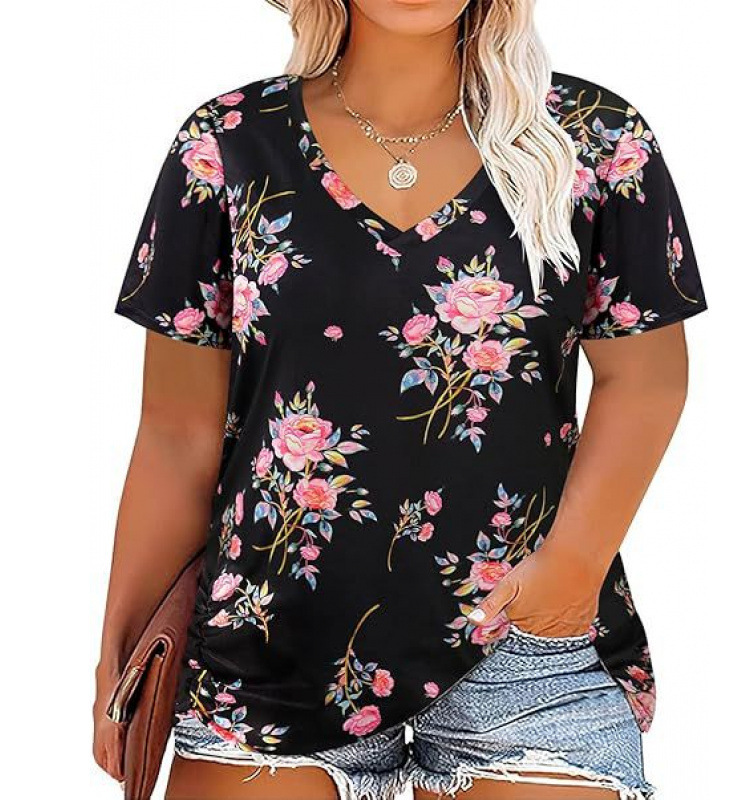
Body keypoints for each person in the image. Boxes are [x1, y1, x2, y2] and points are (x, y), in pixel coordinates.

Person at [93, 1, 708, 798]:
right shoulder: (227, 147)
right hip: (271, 645)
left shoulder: (592, 139)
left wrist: (570, 573)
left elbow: (646, 379)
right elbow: (177, 432)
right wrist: (118, 656)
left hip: (527, 645)